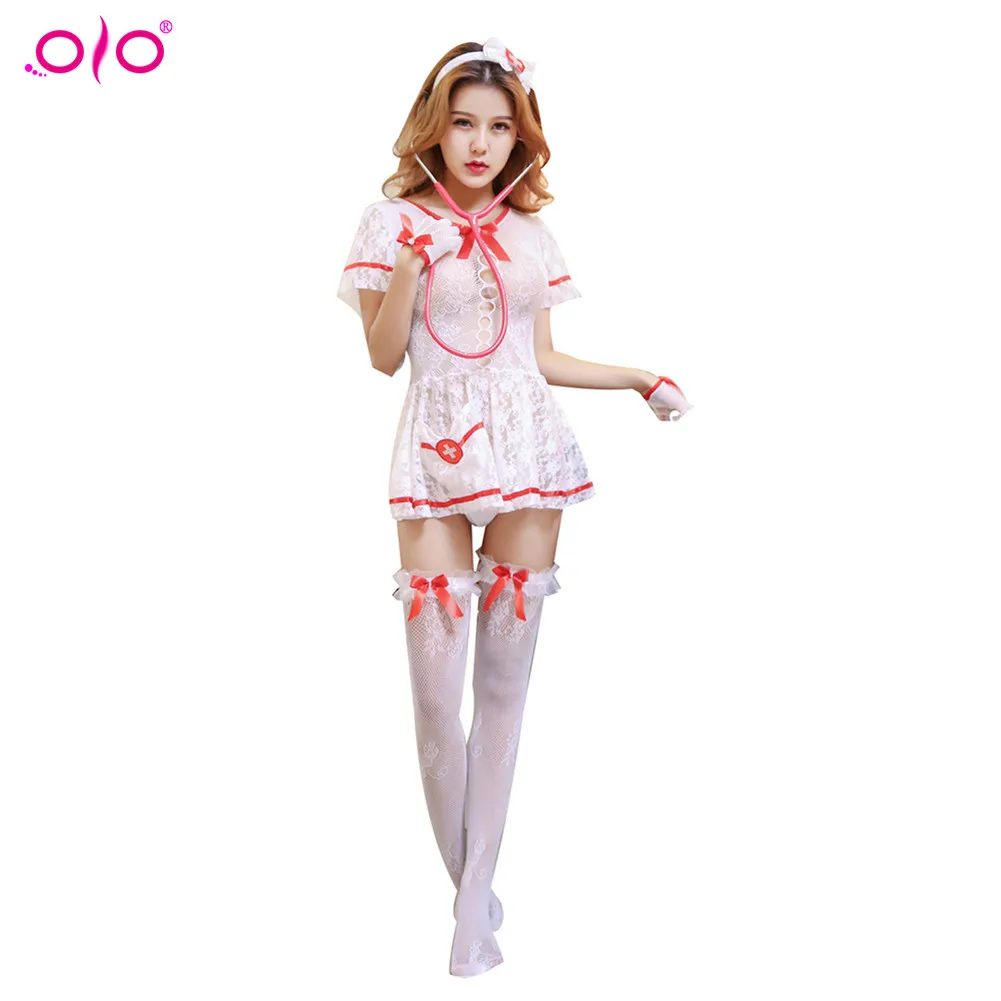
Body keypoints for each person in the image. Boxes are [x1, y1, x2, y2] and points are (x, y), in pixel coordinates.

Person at [336, 37, 693, 977]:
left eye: (499, 127)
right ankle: (473, 889)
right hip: (435, 454)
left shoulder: (531, 234)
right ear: (434, 128)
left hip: (530, 451)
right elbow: (381, 357)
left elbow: (540, 359)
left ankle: (469, 914)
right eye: (463, 123)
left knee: (502, 689)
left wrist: (638, 377)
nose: (479, 143)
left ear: (519, 138)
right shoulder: (388, 221)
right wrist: (410, 268)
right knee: (431, 693)